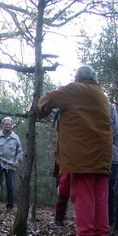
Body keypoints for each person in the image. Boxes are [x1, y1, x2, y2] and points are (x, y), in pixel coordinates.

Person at [37, 65, 112, 236]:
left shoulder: (76, 89)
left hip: (83, 157)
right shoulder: (101, 95)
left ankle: (85, 233)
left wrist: (41, 111)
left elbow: (49, 98)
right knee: (100, 199)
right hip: (103, 157)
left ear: (78, 78)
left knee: (83, 198)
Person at [0, 117, 23, 211]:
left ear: (11, 126)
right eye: (6, 124)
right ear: (2, 125)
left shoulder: (15, 138)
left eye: (9, 124)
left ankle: (10, 206)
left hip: (11, 164)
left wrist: (17, 161)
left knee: (10, 185)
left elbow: (20, 152)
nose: (7, 126)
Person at [108, 103, 118, 234]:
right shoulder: (110, 108)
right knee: (108, 190)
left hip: (111, 157)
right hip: (111, 157)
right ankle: (110, 224)